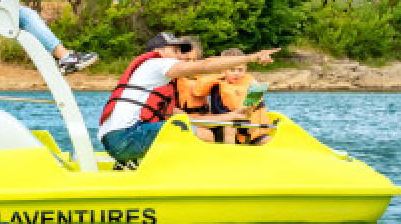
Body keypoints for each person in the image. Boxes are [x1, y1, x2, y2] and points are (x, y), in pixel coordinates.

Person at [97, 32, 279, 166]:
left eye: (181, 51)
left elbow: (184, 118)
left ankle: (131, 165)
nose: (180, 56)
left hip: (117, 139)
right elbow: (206, 65)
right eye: (175, 50)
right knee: (204, 135)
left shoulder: (157, 82)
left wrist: (230, 116)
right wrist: (253, 57)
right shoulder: (156, 64)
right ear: (158, 51)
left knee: (188, 130)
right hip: (126, 137)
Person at [203, 48, 273, 145]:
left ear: (245, 70)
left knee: (268, 140)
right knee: (229, 127)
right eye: (232, 70)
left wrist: (249, 108)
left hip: (248, 124)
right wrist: (237, 114)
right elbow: (219, 111)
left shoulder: (251, 83)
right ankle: (230, 152)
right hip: (225, 124)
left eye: (240, 70)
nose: (236, 73)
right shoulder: (218, 86)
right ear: (223, 70)